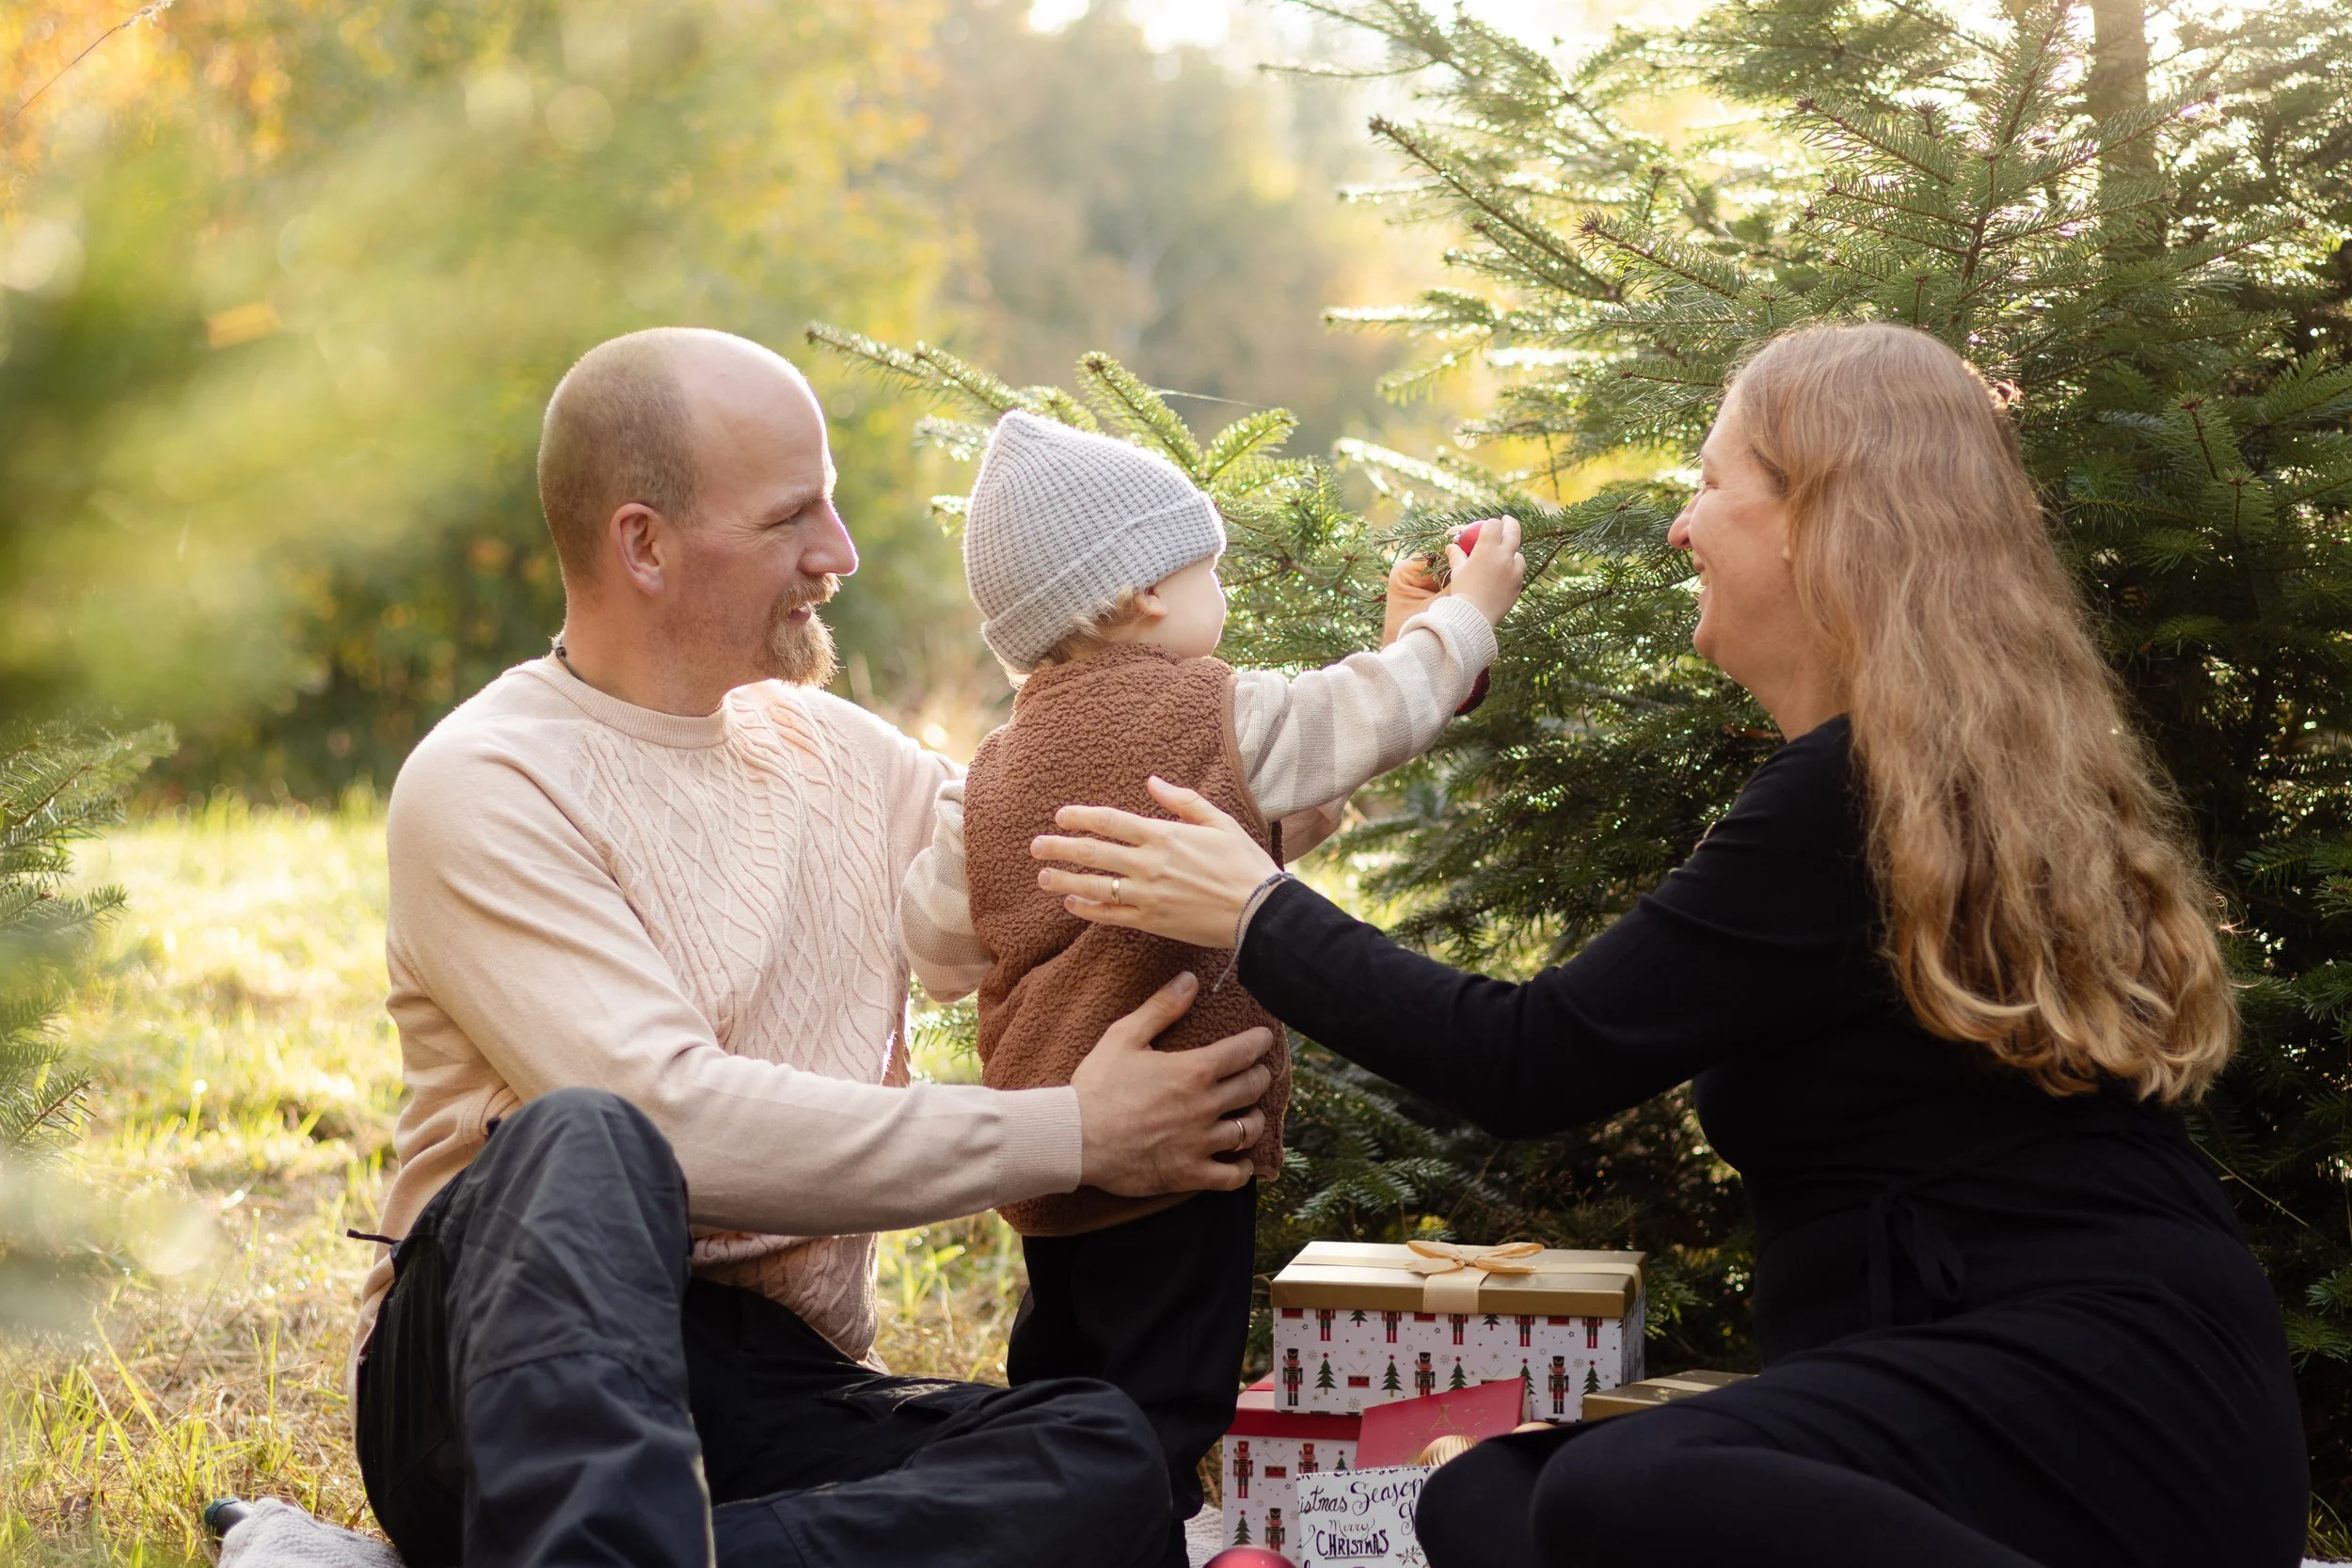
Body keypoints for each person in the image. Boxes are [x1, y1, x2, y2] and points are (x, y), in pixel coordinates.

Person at [1022, 322, 2311, 1568]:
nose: (1682, 524)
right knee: (1482, 1498)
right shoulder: (1905, 779)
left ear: (1821, 519)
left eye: (1710, 483)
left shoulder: (1852, 795)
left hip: (2099, 1405)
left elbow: (1534, 1058)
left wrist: (1255, 909)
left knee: (1614, 1492)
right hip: (2027, 1398)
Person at [351, 327, 1282, 1568]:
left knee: (1107, 1458)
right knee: (590, 1128)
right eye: (795, 515)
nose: (838, 554)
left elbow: (1097, 820)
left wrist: (1412, 685)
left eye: (831, 505)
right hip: (492, 1363)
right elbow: (677, 1122)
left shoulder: (843, 759)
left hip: (765, 1380)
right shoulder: (490, 779)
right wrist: (1076, 1127)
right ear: (645, 543)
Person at [897, 409, 1522, 1565]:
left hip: (1053, 1155)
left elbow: (938, 950)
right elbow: (1368, 714)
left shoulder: (987, 774)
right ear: (1138, 596)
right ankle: (1156, 1542)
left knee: (1061, 1372)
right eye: (1210, 568)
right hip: (1180, 1142)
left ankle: (1047, 1522)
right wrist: (1460, 619)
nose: (1219, 594)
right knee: (1164, 1404)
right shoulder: (1209, 706)